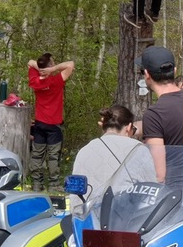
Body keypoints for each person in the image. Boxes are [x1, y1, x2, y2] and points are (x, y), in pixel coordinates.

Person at [138, 46, 183, 194]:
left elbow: (159, 175)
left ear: (146, 74)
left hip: (177, 196)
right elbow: (179, 121)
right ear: (175, 71)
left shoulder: (154, 114)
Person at [70, 105, 156, 210]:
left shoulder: (84, 150)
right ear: (128, 127)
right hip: (123, 217)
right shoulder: (138, 149)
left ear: (102, 126)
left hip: (87, 216)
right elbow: (151, 189)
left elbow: (75, 194)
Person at [27, 53, 75, 191]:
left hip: (40, 123)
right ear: (49, 67)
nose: (54, 65)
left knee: (37, 154)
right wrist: (51, 70)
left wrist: (43, 69)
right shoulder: (56, 81)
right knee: (53, 156)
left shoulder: (35, 81)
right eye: (52, 63)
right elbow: (70, 64)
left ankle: (37, 184)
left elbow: (30, 61)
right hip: (54, 124)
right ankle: (53, 184)